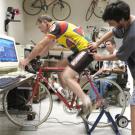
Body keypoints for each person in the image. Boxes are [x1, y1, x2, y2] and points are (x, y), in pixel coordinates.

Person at [19, 15, 94, 117]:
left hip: (86, 50)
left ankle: (86, 101)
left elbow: (41, 44)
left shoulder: (56, 26)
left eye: (40, 27)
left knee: (67, 76)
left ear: (45, 22)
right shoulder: (56, 33)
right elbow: (46, 48)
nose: (40, 30)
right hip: (79, 52)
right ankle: (66, 92)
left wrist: (27, 59)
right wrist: (37, 57)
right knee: (59, 66)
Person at [90, 1, 135, 135]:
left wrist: (99, 58)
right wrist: (97, 43)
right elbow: (112, 32)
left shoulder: (132, 35)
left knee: (133, 104)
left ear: (121, 19)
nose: (110, 25)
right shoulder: (127, 21)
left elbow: (119, 56)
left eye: (111, 22)